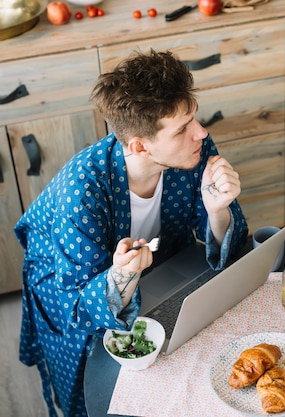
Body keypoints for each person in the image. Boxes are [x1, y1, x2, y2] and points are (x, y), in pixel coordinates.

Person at [14, 49, 249, 417]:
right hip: (68, 279)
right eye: (183, 128)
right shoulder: (83, 191)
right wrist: (121, 276)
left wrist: (217, 212)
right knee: (90, 383)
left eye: (194, 118)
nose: (200, 131)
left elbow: (229, 249)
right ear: (139, 145)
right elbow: (80, 303)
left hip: (156, 265)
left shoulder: (195, 149)